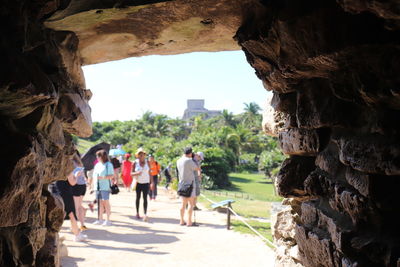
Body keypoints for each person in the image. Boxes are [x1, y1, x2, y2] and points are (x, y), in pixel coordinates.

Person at [50, 165, 88, 242]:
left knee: (57, 215)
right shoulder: (67, 167)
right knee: (71, 215)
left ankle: (55, 235)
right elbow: (72, 182)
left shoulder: (54, 167)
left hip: (54, 191)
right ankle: (77, 235)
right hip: (65, 193)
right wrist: (76, 176)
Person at [176, 147, 200, 227]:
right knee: (191, 204)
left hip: (182, 184)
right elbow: (197, 168)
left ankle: (181, 220)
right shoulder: (189, 160)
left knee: (183, 204)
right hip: (190, 184)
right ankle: (189, 222)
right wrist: (195, 159)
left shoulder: (178, 160)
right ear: (190, 153)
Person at [91, 150, 115, 226]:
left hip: (105, 186)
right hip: (97, 186)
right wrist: (92, 186)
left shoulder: (109, 165)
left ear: (102, 156)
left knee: (105, 202)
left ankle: (108, 220)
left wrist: (102, 177)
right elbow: (94, 176)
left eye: (98, 156)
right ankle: (100, 219)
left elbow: (111, 175)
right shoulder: (97, 165)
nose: (97, 158)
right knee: (99, 203)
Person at [132, 148, 154, 222]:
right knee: (138, 198)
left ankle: (145, 213)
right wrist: (137, 173)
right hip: (138, 183)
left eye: (142, 155)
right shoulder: (135, 163)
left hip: (146, 183)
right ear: (137, 156)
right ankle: (137, 212)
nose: (141, 156)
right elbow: (131, 173)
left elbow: (150, 173)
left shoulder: (147, 162)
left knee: (145, 198)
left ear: (144, 155)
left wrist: (152, 182)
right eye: (140, 155)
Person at [71, 155, 88, 230]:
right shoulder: (79, 163)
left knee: (76, 208)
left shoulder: (71, 163)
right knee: (79, 206)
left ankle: (76, 227)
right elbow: (84, 176)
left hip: (76, 186)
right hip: (83, 186)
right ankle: (82, 225)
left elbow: (74, 176)